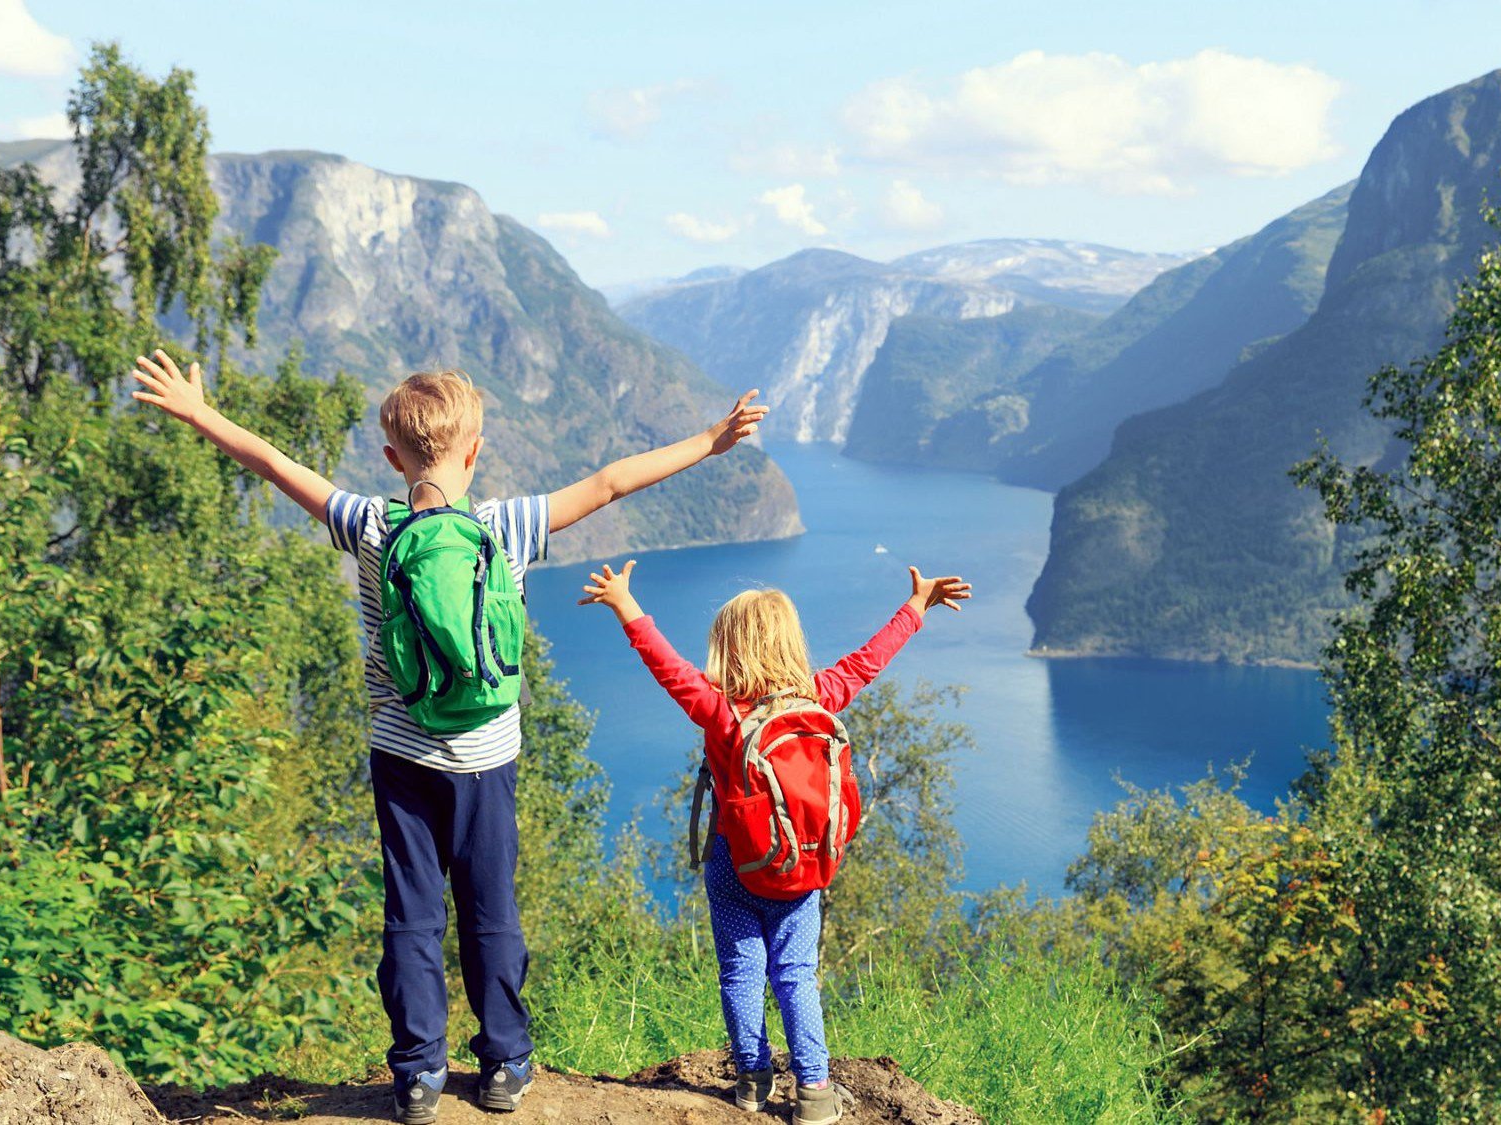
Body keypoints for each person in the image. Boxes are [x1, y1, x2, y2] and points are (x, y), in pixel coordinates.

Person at [131, 349, 767, 1122]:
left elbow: (272, 462)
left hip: (401, 757)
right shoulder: (506, 526)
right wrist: (711, 438)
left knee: (412, 913)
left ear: (393, 458)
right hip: (487, 760)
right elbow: (610, 482)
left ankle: (419, 1074)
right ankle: (502, 1063)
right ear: (475, 451)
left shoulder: (370, 524)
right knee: (491, 910)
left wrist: (200, 412)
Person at [577, 558, 969, 1124]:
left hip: (736, 864)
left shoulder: (721, 713)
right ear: (789, 642)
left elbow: (666, 666)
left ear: (727, 650)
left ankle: (752, 1081)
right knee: (795, 976)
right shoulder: (819, 698)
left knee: (740, 973)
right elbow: (867, 662)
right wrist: (915, 607)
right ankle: (813, 1091)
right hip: (800, 869)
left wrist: (624, 604)